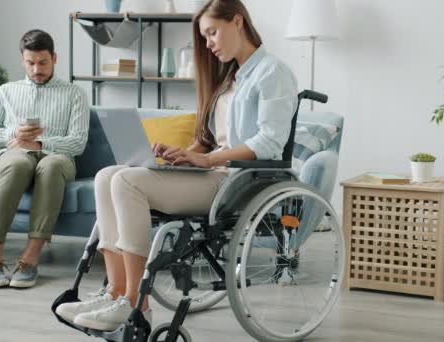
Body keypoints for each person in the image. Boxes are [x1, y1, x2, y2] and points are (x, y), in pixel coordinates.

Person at [56, 0, 298, 331]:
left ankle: (135, 302)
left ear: (238, 21)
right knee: (106, 175)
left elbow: (269, 142)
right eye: (205, 36)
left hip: (237, 181)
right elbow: (211, 139)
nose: (209, 43)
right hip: (212, 172)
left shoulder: (273, 73)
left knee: (127, 182)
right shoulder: (231, 77)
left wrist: (208, 159)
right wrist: (183, 153)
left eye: (212, 32)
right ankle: (113, 291)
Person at [0, 29, 90, 288]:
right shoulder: (6, 91)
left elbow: (78, 142)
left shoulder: (75, 94)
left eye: (43, 62)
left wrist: (40, 143)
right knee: (16, 164)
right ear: (22, 60)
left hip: (58, 157)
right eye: (30, 63)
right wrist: (13, 133)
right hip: (16, 153)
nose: (37, 69)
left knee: (50, 166)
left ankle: (30, 257)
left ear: (55, 58)